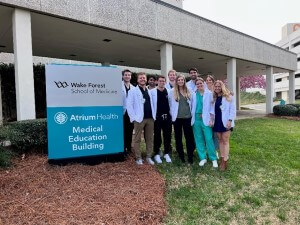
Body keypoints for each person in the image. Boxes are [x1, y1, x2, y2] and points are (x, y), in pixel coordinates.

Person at [127, 72, 156, 165]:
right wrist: (134, 118)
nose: (142, 79)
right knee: (137, 139)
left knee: (149, 138)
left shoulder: (149, 91)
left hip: (150, 118)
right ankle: (138, 157)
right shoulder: (132, 91)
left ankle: (148, 156)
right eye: (140, 78)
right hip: (139, 119)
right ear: (137, 80)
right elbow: (129, 105)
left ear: (146, 79)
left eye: (144, 78)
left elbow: (153, 104)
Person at [192, 78, 218, 168]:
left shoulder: (209, 94)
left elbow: (212, 108)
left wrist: (211, 119)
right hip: (196, 119)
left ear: (204, 83)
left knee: (209, 138)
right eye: (197, 84)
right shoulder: (194, 94)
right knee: (199, 139)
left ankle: (213, 158)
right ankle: (203, 158)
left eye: (201, 83)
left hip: (206, 119)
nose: (199, 85)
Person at [169, 74, 195, 164]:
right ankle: (181, 156)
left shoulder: (189, 90)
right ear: (176, 81)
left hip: (188, 118)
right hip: (177, 119)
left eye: (182, 80)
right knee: (178, 138)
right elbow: (170, 105)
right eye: (179, 80)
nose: (180, 81)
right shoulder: (172, 91)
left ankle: (190, 156)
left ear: (184, 81)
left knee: (189, 138)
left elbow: (194, 102)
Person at [213, 80, 236, 171]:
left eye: (219, 86)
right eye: (216, 87)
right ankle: (222, 157)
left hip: (226, 121)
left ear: (222, 86)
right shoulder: (214, 97)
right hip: (217, 121)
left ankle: (225, 160)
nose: (217, 88)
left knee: (225, 141)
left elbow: (233, 110)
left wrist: (230, 120)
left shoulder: (229, 96)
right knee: (220, 141)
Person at [150, 76, 172, 163]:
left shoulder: (169, 92)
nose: (162, 82)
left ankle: (167, 153)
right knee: (157, 135)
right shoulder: (152, 92)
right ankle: (157, 153)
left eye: (163, 81)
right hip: (157, 117)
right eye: (160, 81)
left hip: (167, 117)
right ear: (156, 82)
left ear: (165, 82)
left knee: (167, 135)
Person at [205, 74, 219, 154]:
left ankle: (215, 151)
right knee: (208, 135)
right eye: (207, 80)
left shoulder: (216, 90)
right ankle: (209, 150)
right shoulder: (205, 91)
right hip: (208, 116)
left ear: (213, 81)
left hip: (217, 115)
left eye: (210, 80)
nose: (208, 81)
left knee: (215, 134)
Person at [122, 69, 135, 157]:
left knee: (129, 130)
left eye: (129, 75)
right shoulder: (118, 86)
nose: (127, 76)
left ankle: (128, 147)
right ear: (123, 76)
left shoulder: (133, 88)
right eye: (126, 75)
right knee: (122, 130)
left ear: (130, 77)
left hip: (130, 113)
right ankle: (123, 148)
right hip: (122, 112)